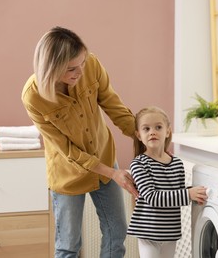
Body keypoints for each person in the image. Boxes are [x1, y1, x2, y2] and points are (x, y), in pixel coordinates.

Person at [21, 26, 139, 258]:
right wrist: (112, 173)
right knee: (68, 245)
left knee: (117, 232)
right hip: (67, 173)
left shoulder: (90, 65)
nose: (80, 72)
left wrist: (144, 137)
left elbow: (113, 105)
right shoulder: (33, 97)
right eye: (72, 69)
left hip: (103, 156)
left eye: (82, 63)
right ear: (51, 69)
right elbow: (67, 150)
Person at [127, 106, 207, 258]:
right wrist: (188, 194)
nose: (152, 132)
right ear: (138, 135)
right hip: (148, 232)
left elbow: (175, 192)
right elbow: (152, 197)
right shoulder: (139, 164)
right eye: (146, 128)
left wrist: (194, 192)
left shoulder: (176, 163)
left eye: (158, 127)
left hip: (170, 232)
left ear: (168, 131)